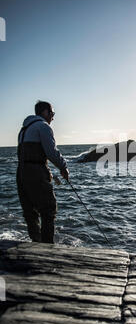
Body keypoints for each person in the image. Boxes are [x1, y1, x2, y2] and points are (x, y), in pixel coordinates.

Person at [17, 101, 69, 244]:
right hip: (35, 172)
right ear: (45, 113)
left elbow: (32, 155)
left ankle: (36, 242)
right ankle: (47, 247)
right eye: (52, 113)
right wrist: (63, 168)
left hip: (21, 172)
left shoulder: (24, 129)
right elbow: (51, 152)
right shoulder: (43, 126)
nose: (53, 117)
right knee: (48, 208)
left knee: (30, 211)